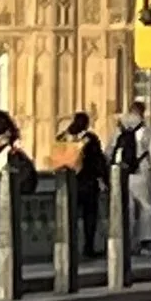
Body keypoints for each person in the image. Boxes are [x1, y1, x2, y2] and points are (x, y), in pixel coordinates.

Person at [50, 108, 110, 258]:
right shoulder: (90, 139)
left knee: (69, 217)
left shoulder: (62, 137)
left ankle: (68, 247)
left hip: (67, 183)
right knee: (90, 216)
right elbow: (99, 161)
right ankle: (88, 247)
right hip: (88, 183)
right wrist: (105, 180)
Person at [114, 99, 151, 265]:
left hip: (122, 175)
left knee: (126, 209)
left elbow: (110, 151)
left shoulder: (119, 128)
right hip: (141, 173)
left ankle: (126, 242)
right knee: (146, 208)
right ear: (142, 113)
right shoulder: (145, 131)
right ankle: (144, 243)